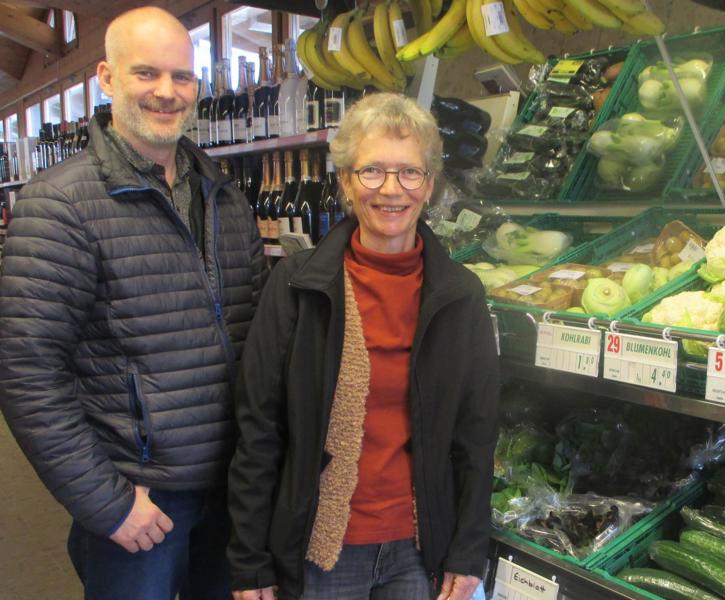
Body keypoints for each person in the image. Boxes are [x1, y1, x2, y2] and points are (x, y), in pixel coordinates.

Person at [0, 6, 265, 599]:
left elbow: (258, 333)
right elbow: (26, 372)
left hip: (232, 487)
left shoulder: (224, 195)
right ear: (108, 77)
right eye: (146, 74)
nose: (167, 92)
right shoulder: (59, 204)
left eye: (182, 77)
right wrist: (107, 503)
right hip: (141, 497)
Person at [227, 92, 500, 600]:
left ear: (430, 186)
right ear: (346, 182)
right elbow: (258, 431)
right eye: (372, 171)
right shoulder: (296, 287)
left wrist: (468, 550)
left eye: (409, 173)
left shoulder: (460, 296)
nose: (391, 190)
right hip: (321, 551)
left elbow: (476, 438)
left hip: (421, 552)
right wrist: (250, 561)